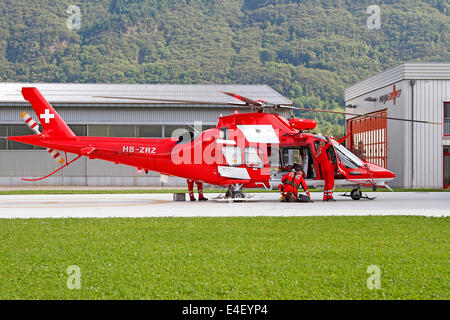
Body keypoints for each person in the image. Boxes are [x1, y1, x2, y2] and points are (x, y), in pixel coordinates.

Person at [315, 137, 336, 202]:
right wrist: (327, 137)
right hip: (328, 167)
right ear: (322, 144)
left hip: (323, 168)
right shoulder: (323, 148)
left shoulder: (318, 151)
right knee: (330, 182)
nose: (324, 143)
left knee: (326, 183)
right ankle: (329, 196)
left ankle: (325, 197)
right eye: (324, 143)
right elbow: (330, 143)